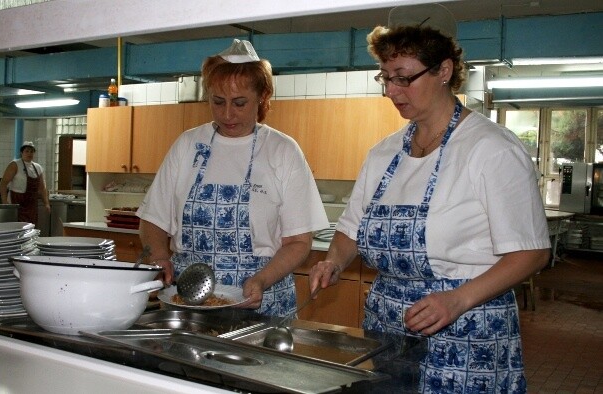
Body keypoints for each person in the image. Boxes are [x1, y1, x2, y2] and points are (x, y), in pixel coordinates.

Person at [308, 4, 551, 393]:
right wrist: (334, 262)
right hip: (389, 332)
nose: (391, 91)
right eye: (385, 78)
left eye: (403, 78)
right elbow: (351, 229)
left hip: (465, 331)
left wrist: (456, 300)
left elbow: (532, 252)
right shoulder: (384, 153)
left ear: (443, 70)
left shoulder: (490, 149)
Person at [136, 39, 329, 317]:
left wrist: (260, 280)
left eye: (239, 103)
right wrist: (160, 257)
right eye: (218, 101)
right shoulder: (188, 145)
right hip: (191, 300)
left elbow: (299, 242)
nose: (227, 114)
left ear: (262, 97)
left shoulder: (281, 150)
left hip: (262, 299)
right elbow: (153, 219)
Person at [0, 141, 50, 225]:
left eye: (31, 151)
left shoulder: (38, 167)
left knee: (30, 227)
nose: (29, 153)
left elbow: (42, 188)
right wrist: (5, 202)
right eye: (27, 151)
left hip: (31, 204)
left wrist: (46, 203)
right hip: (16, 203)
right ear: (21, 152)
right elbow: (3, 183)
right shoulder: (15, 165)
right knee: (16, 227)